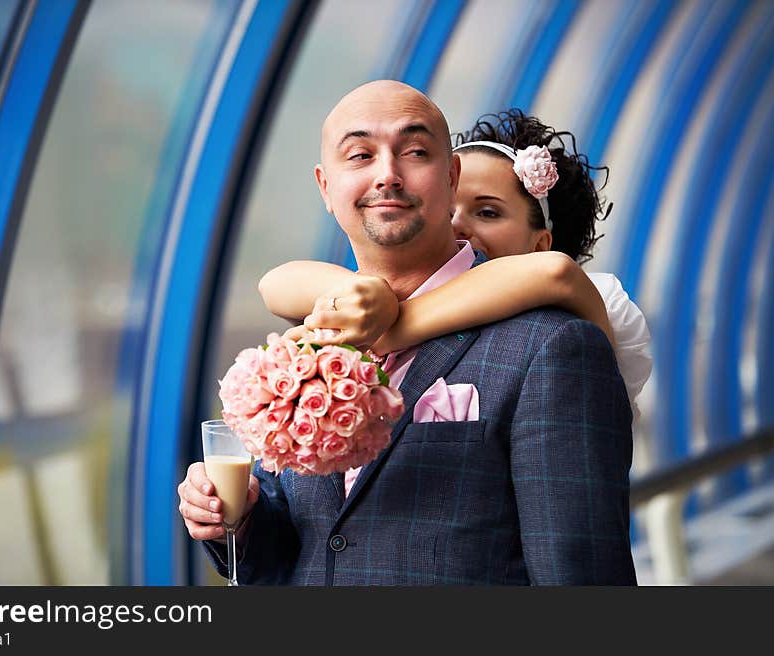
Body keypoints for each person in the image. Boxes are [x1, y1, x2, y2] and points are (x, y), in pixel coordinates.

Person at [178, 80, 637, 584]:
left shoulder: (552, 346)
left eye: (415, 151)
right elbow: (299, 549)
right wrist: (240, 519)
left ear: (450, 177)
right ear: (326, 188)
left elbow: (583, 577)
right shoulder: (308, 343)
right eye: (359, 155)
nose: (387, 175)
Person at [260, 109, 652, 424]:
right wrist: (368, 294)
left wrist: (392, 325)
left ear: (540, 243)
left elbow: (556, 273)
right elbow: (275, 283)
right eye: (448, 207)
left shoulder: (563, 320)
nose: (457, 225)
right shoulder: (388, 292)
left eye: (487, 212)